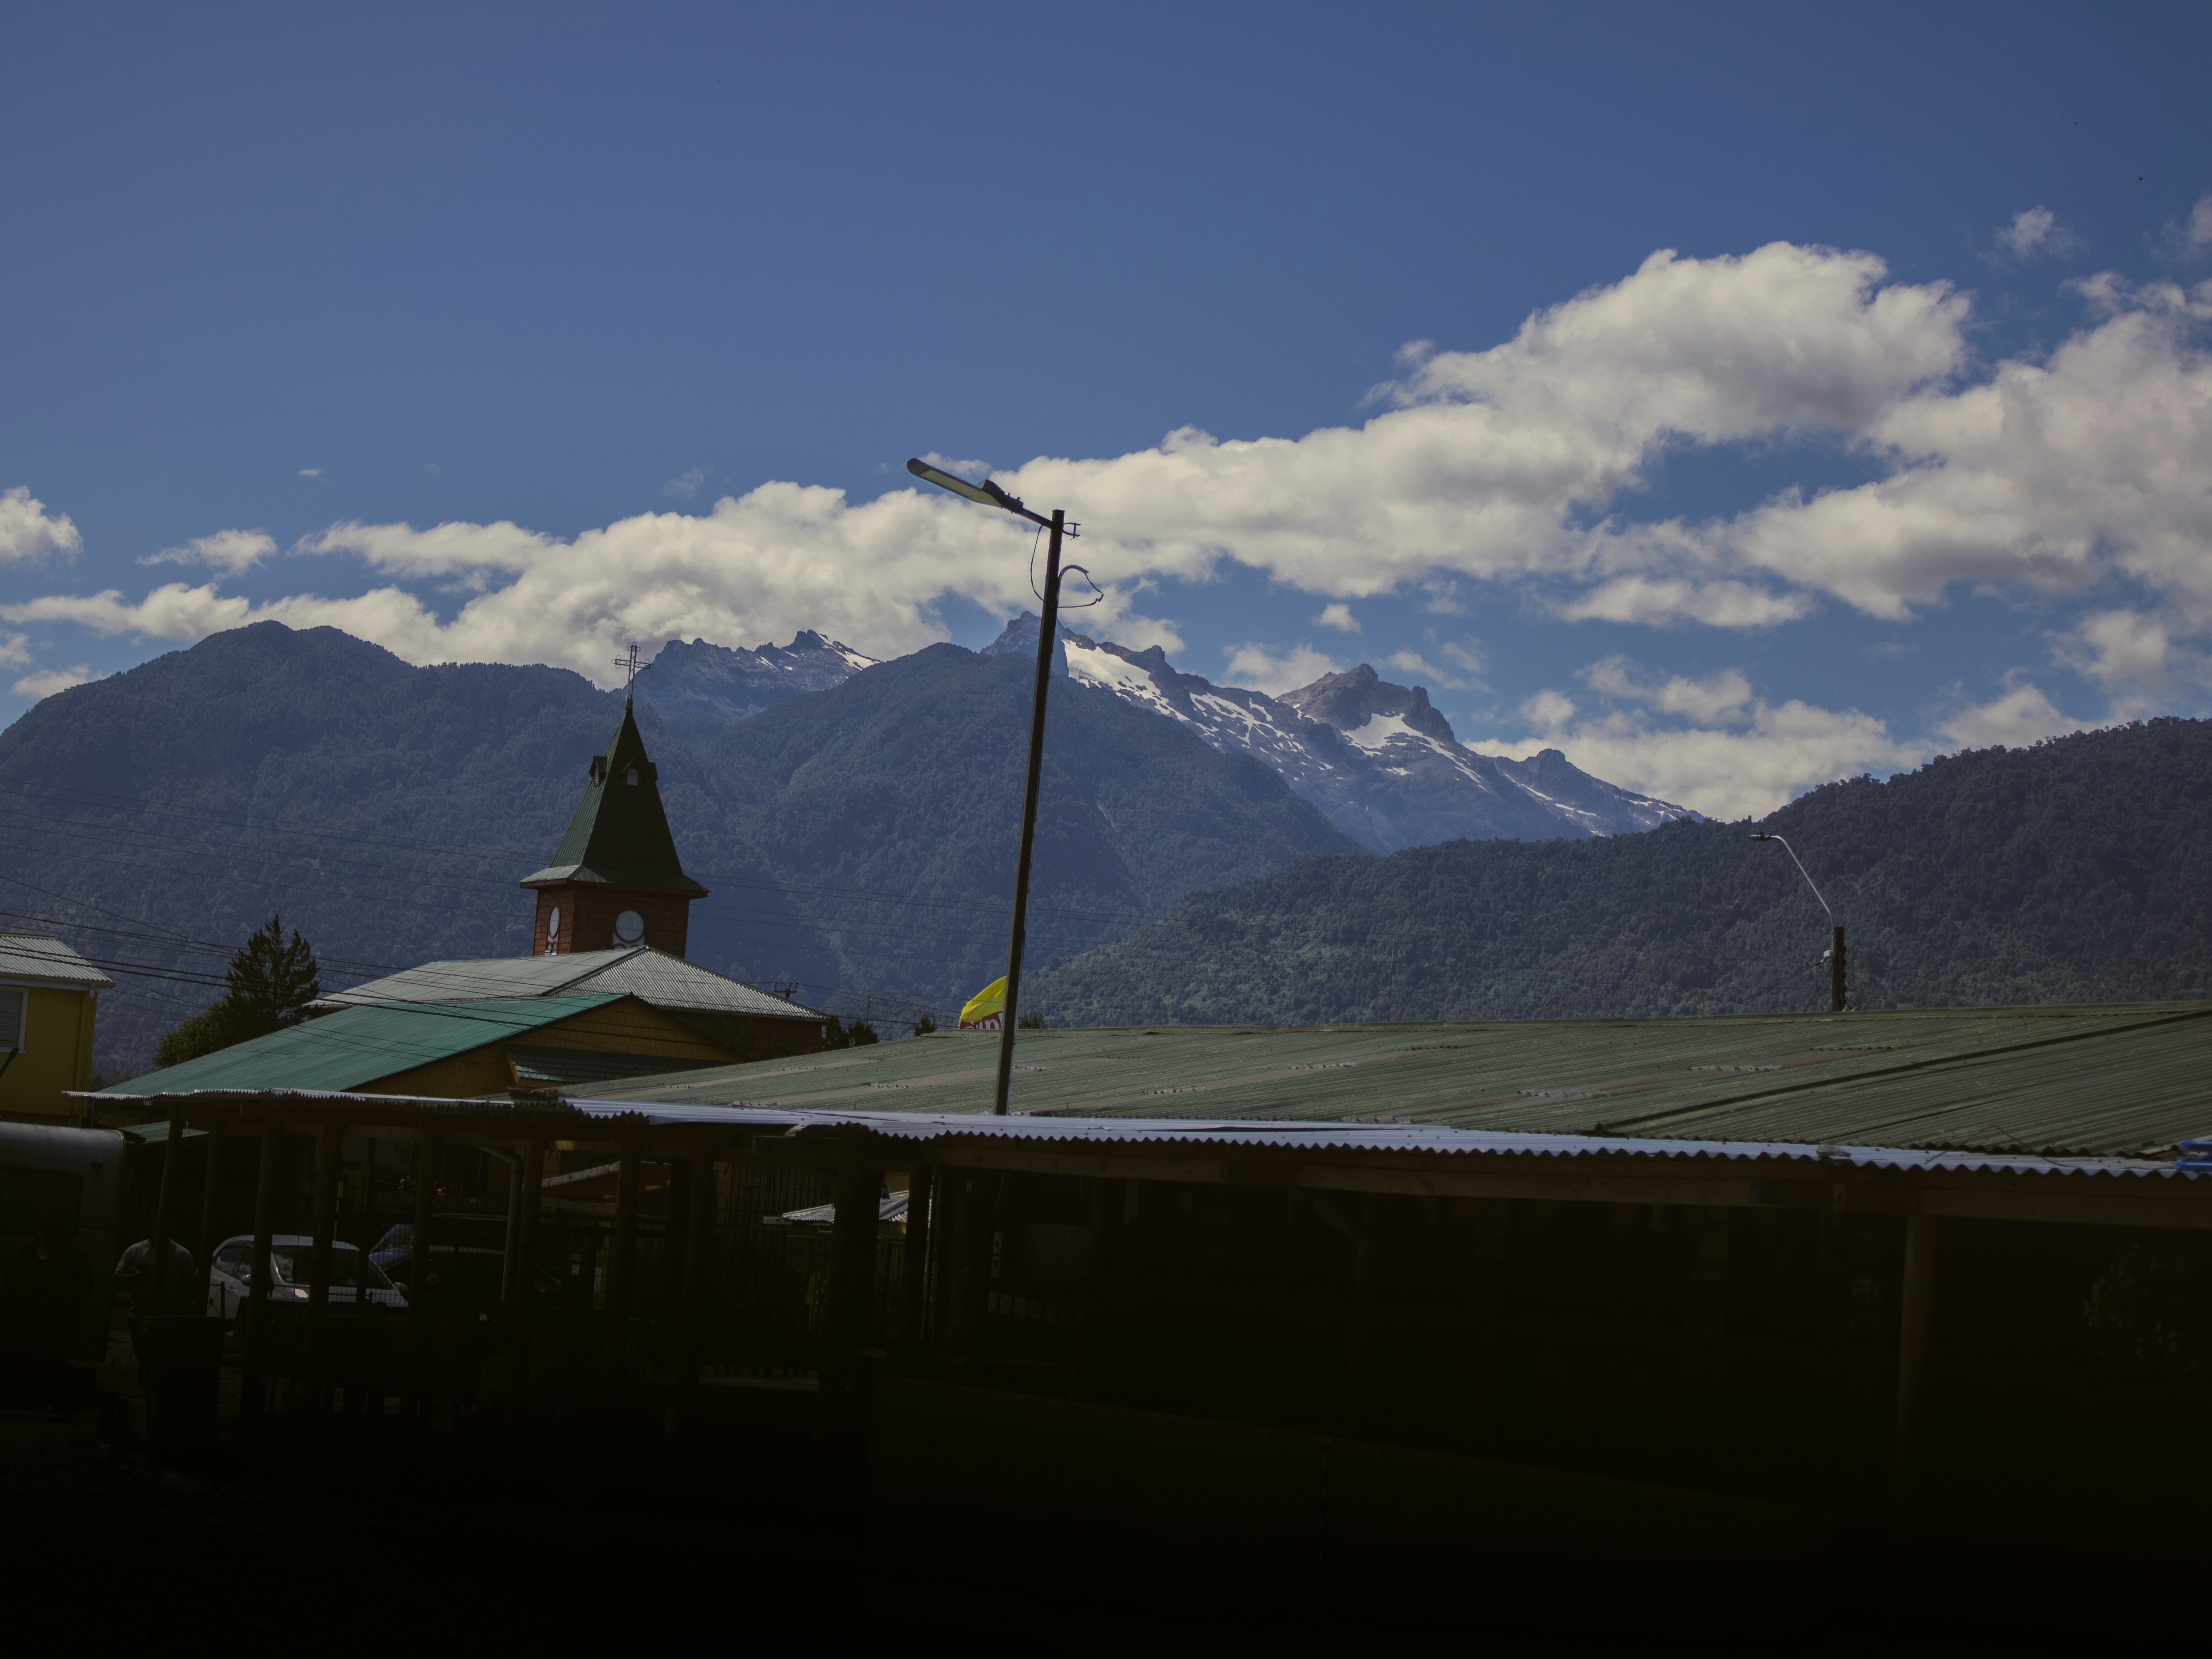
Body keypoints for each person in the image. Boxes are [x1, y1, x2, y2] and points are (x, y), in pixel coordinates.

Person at [0, 1216, 95, 1403]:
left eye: (49, 1234)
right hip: (27, 1314)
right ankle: (22, 1393)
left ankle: (49, 1396)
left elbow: (85, 1286)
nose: (44, 1237)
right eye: (43, 1233)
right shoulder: (29, 1252)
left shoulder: (74, 1257)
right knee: (23, 1353)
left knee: (52, 1356)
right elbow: (12, 1281)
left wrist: (69, 1307)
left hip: (57, 1316)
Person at [113, 1235, 200, 1316]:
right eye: (156, 1228)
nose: (160, 1233)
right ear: (149, 1230)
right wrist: (136, 1278)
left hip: (170, 1316)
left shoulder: (183, 1255)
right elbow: (117, 1277)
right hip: (140, 1315)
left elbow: (192, 1285)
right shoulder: (135, 1251)